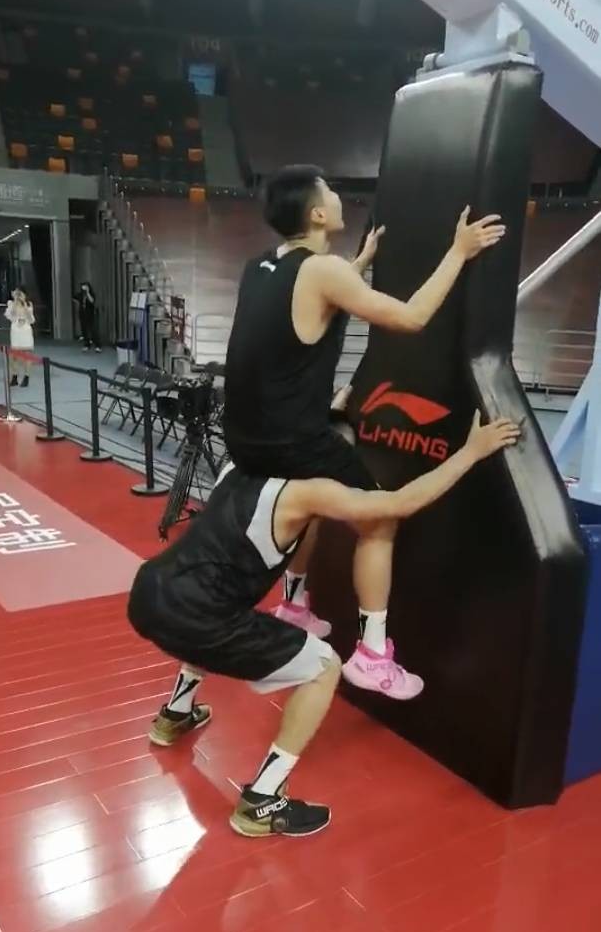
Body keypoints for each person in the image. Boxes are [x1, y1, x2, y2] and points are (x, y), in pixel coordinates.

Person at [128, 411, 520, 838]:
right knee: (323, 667)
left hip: (150, 591)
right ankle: (262, 800)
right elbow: (397, 505)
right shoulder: (306, 492)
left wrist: (334, 407)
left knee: (218, 612)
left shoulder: (241, 464)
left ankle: (176, 713)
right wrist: (471, 452)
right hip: (196, 614)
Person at [223, 165, 506, 700]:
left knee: (305, 501)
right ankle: (373, 655)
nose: (337, 196)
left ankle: (294, 606)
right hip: (291, 438)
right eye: (329, 192)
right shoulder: (325, 271)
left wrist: (359, 265)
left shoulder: (258, 266)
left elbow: (308, 303)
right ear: (317, 214)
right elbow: (412, 318)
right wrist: (459, 251)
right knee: (379, 520)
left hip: (243, 437)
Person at [4, 287, 35, 387]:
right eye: (17, 293)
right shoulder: (11, 304)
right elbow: (10, 315)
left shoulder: (29, 304)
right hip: (16, 331)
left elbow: (31, 320)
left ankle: (26, 377)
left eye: (20, 294)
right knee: (13, 356)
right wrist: (15, 301)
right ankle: (14, 376)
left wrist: (24, 305)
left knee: (27, 355)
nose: (19, 296)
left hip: (26, 331)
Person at [75, 282, 100, 353]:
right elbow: (74, 298)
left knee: (93, 330)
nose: (84, 288)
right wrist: (79, 304)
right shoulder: (80, 295)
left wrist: (88, 293)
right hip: (82, 314)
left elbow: (92, 301)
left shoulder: (91, 294)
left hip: (90, 314)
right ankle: (87, 345)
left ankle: (97, 345)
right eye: (83, 287)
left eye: (85, 286)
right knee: (84, 330)